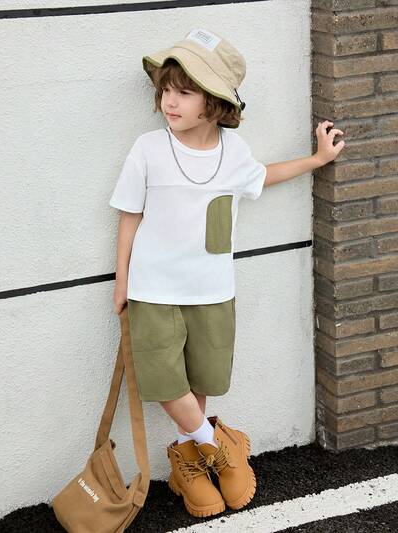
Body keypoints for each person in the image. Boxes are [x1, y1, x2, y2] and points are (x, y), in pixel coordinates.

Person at [108, 28, 345, 518]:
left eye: (183, 92)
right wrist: (122, 279)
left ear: (213, 103)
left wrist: (318, 159)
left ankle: (189, 464)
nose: (170, 102)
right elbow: (129, 214)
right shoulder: (148, 148)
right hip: (153, 288)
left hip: (212, 288)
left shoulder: (233, 151)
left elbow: (263, 176)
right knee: (163, 378)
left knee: (202, 377)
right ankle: (218, 446)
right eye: (166, 91)